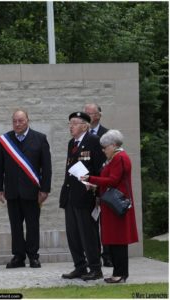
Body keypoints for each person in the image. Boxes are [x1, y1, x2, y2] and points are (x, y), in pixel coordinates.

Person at [0, 109, 52, 269]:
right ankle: (18, 256)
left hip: (32, 192)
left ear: (28, 120)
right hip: (12, 190)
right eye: (15, 121)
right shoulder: (6, 140)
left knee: (33, 224)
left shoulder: (40, 139)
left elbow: (46, 167)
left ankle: (33, 256)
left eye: (21, 121)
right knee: (15, 225)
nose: (17, 124)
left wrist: (45, 189)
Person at [81, 129, 138, 283]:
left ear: (113, 145)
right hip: (111, 206)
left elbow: (113, 180)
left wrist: (91, 179)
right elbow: (109, 179)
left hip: (116, 206)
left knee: (119, 241)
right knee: (114, 241)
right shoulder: (115, 157)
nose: (103, 150)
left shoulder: (120, 158)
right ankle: (117, 273)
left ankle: (120, 274)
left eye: (105, 147)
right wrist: (95, 186)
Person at [59, 112, 103, 281]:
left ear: (85, 126)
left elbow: (99, 168)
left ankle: (95, 268)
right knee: (73, 234)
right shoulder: (72, 143)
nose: (71, 126)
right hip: (71, 195)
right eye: (70, 123)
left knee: (88, 234)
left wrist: (97, 193)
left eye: (75, 123)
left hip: (86, 196)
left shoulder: (93, 141)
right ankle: (80, 266)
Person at [84, 103, 113, 268]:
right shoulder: (82, 135)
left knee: (105, 222)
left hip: (104, 184)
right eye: (85, 112)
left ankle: (107, 255)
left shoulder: (107, 134)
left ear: (99, 115)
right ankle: (92, 255)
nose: (87, 115)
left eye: (91, 113)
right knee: (90, 223)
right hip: (88, 184)